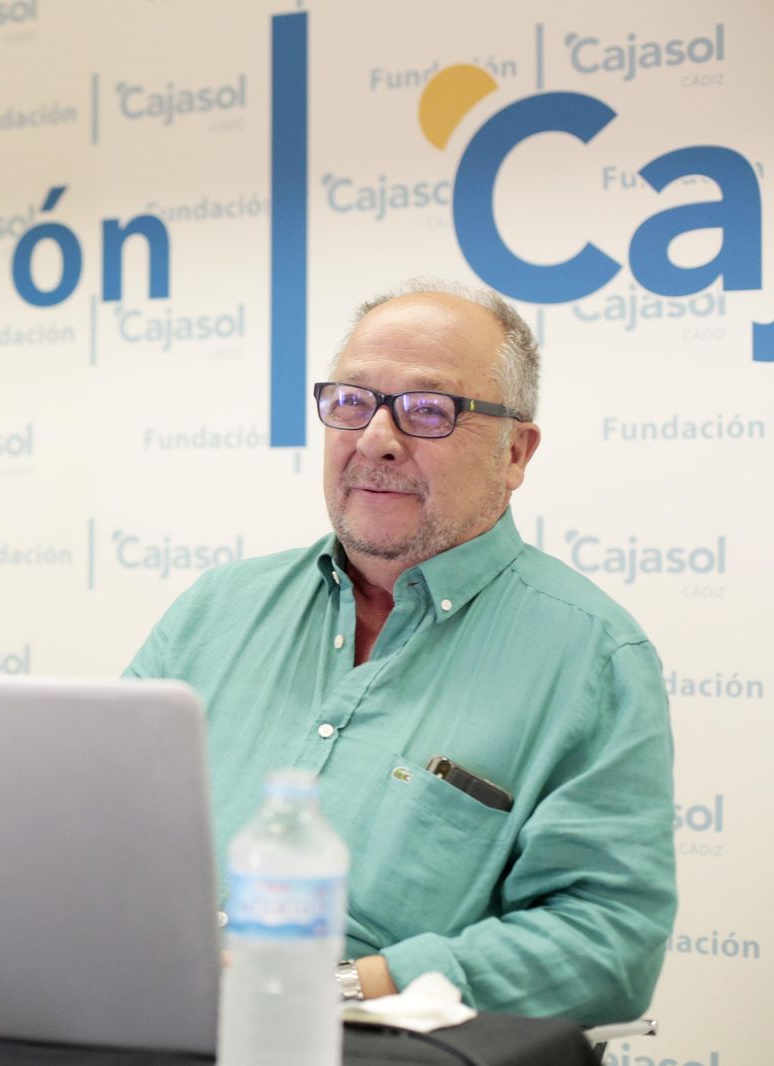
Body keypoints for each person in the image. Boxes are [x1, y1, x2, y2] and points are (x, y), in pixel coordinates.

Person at [126, 281, 675, 1025]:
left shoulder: (593, 658)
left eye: (427, 410)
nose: (376, 438)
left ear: (516, 451)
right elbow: (91, 830)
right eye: (352, 401)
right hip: (143, 1019)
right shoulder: (217, 608)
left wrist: (340, 986)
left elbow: (608, 945)